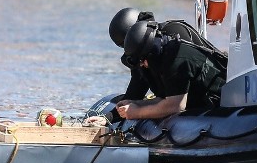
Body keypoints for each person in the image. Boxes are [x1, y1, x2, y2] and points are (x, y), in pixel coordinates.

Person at [91, 8, 226, 123]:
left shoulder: (171, 48)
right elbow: (136, 91)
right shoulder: (144, 54)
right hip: (180, 97)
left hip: (212, 97)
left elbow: (175, 104)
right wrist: (109, 117)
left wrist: (137, 111)